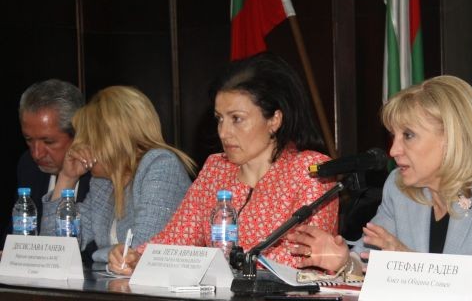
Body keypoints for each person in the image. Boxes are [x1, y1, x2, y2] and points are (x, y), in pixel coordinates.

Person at [108, 52, 338, 273]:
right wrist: (138, 257)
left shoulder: (312, 172)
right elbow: (176, 238)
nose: (223, 132)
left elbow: (301, 258)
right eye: (219, 119)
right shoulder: (216, 169)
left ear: (274, 120)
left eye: (237, 119)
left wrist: (208, 265)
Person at [287, 75, 472, 275]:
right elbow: (366, 258)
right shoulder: (398, 186)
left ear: (451, 137)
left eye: (408, 136)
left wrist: (410, 261)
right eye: (394, 136)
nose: (394, 150)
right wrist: (344, 262)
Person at [40, 86, 195, 263]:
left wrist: (98, 255)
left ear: (112, 139)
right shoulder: (102, 182)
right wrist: (67, 178)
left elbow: (141, 251)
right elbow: (54, 250)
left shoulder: (161, 165)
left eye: (87, 137)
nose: (79, 145)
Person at [6, 80, 91, 243]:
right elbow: (15, 236)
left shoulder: (100, 173)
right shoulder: (28, 165)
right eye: (29, 140)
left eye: (49, 142)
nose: (37, 154)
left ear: (78, 134)